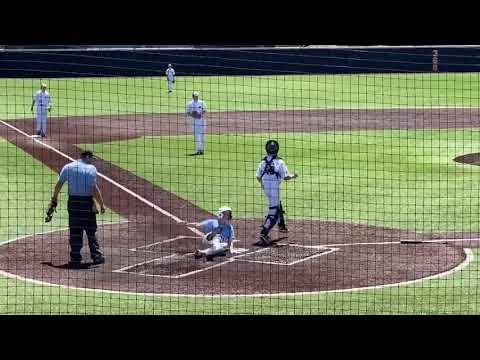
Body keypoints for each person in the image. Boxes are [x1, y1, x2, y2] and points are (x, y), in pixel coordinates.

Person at [48, 150, 106, 268]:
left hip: (73, 203)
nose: (92, 161)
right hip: (87, 202)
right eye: (92, 158)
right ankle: (96, 256)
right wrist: (101, 205)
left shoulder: (68, 167)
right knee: (91, 230)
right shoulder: (92, 169)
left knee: (75, 230)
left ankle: (75, 258)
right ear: (88, 157)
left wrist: (54, 199)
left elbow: (58, 185)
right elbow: (94, 188)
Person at [255, 140, 298, 246]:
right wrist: (294, 175)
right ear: (277, 149)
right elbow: (286, 177)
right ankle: (264, 233)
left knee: (276, 209)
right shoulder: (280, 162)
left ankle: (278, 226)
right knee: (274, 213)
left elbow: (258, 176)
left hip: (267, 189)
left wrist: (263, 185)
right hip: (274, 190)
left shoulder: (263, 162)